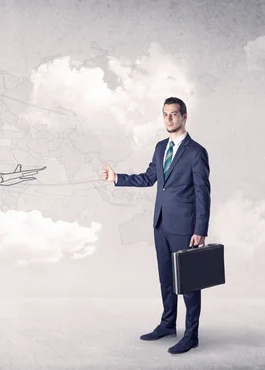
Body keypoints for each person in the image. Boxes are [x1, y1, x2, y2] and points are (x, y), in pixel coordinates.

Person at [101, 97, 211, 354]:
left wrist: (201, 229)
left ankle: (191, 334)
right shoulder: (161, 147)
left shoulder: (196, 152)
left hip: (186, 227)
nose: (169, 119)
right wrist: (117, 178)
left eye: (174, 114)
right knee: (166, 279)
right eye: (165, 114)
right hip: (161, 223)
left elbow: (203, 192)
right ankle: (168, 324)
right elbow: (150, 177)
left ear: (185, 117)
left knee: (190, 284)